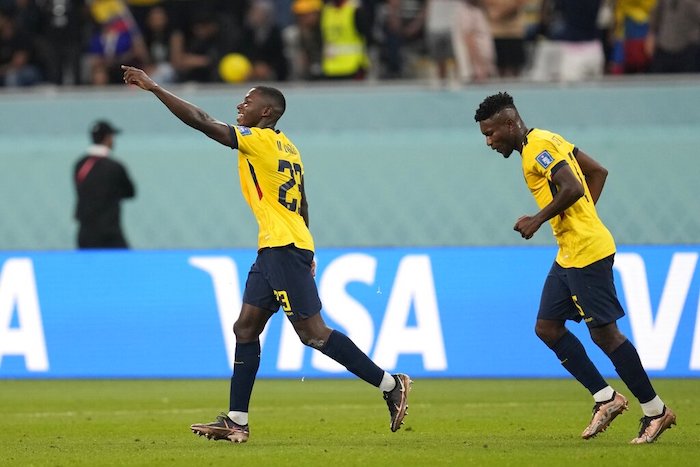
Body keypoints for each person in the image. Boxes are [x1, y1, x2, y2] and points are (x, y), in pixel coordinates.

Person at [121, 64, 411, 443]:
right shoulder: (289, 147)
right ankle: (236, 421)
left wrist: (155, 87)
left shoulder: (257, 139)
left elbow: (203, 120)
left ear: (267, 113)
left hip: (281, 246)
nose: (240, 106)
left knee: (314, 334)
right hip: (279, 245)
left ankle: (390, 384)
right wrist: (309, 248)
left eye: (248, 101)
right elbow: (302, 201)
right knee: (246, 328)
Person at [473, 92, 676, 444]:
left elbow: (573, 184)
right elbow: (598, 171)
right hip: (570, 251)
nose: (489, 142)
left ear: (509, 123)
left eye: (491, 133)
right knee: (547, 327)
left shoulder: (538, 148)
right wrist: (581, 217)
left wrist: (539, 219)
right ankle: (606, 398)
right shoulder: (547, 138)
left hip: (586, 252)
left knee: (605, 335)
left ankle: (656, 411)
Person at [74, 120, 136, 249]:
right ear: (108, 138)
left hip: (85, 233)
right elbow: (130, 192)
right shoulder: (115, 167)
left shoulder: (80, 165)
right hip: (110, 233)